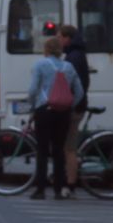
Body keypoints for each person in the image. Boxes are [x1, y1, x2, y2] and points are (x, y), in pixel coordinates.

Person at [27, 35, 83, 200]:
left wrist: (33, 104)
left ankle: (40, 189)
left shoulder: (40, 65)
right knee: (59, 150)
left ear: (46, 50)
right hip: (63, 113)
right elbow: (79, 92)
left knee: (42, 150)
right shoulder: (69, 67)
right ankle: (59, 189)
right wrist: (69, 105)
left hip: (44, 110)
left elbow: (32, 90)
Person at [57, 23, 92, 185]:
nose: (58, 40)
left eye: (59, 37)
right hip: (77, 104)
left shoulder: (74, 57)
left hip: (75, 107)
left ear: (67, 38)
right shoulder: (76, 54)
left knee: (69, 148)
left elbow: (76, 86)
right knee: (67, 146)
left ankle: (70, 182)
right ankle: (67, 177)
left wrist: (70, 104)